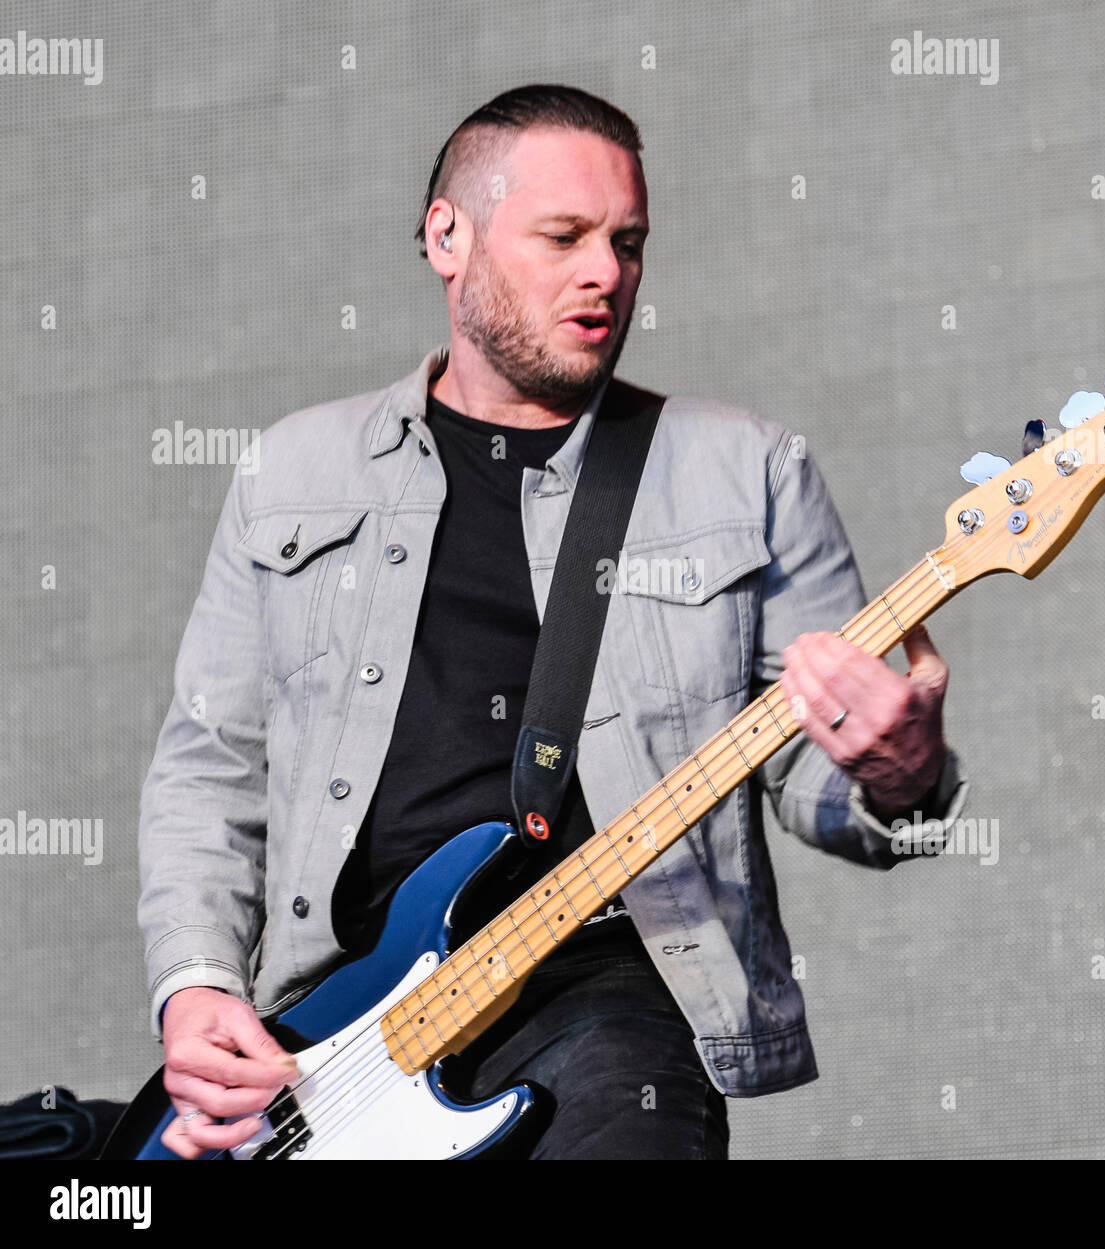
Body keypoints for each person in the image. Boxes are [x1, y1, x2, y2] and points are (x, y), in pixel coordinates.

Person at [138, 84, 969, 1160]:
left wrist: (899, 770)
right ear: (449, 236)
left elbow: (820, 779)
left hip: (607, 983)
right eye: (565, 237)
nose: (605, 274)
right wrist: (196, 986)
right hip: (332, 1035)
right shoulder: (292, 471)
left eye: (628, 242)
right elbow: (211, 768)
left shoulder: (742, 468)